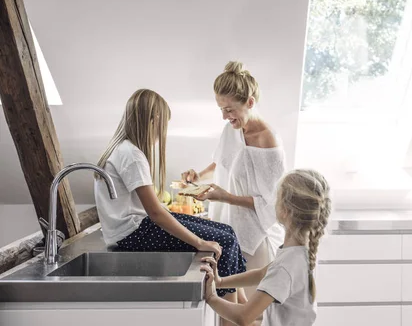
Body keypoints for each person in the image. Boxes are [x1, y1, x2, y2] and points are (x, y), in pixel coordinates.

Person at [93, 89, 246, 326]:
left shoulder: (124, 149)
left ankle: (242, 312)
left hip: (134, 229)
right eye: (162, 124)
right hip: (133, 235)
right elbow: (155, 213)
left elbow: (154, 210)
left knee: (227, 232)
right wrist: (199, 243)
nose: (162, 132)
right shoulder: (131, 155)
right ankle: (234, 321)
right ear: (151, 120)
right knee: (223, 242)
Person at [181, 61, 285, 297]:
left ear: (249, 102)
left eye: (229, 109)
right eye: (221, 109)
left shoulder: (268, 140)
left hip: (256, 237)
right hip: (229, 229)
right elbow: (223, 162)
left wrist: (225, 197)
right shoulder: (233, 129)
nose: (224, 116)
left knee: (250, 311)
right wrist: (198, 175)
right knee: (230, 305)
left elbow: (271, 202)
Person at [200, 169, 332, 326]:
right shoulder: (301, 252)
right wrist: (221, 282)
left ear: (285, 211)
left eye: (277, 198)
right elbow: (262, 273)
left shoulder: (286, 267)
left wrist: (211, 297)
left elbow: (244, 317)